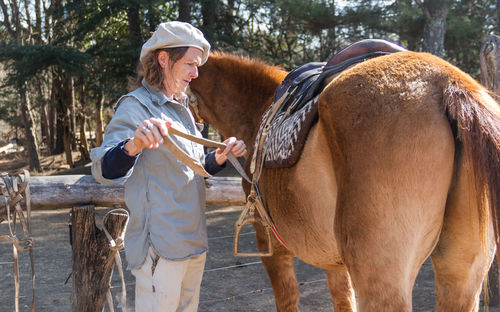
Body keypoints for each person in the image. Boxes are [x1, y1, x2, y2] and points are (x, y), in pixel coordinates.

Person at [90, 21, 246, 312]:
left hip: (194, 243)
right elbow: (103, 170)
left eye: (197, 65)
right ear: (164, 59)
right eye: (189, 63)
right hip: (159, 250)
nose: (195, 73)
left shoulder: (183, 109)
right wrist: (134, 145)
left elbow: (193, 169)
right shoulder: (135, 106)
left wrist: (221, 157)